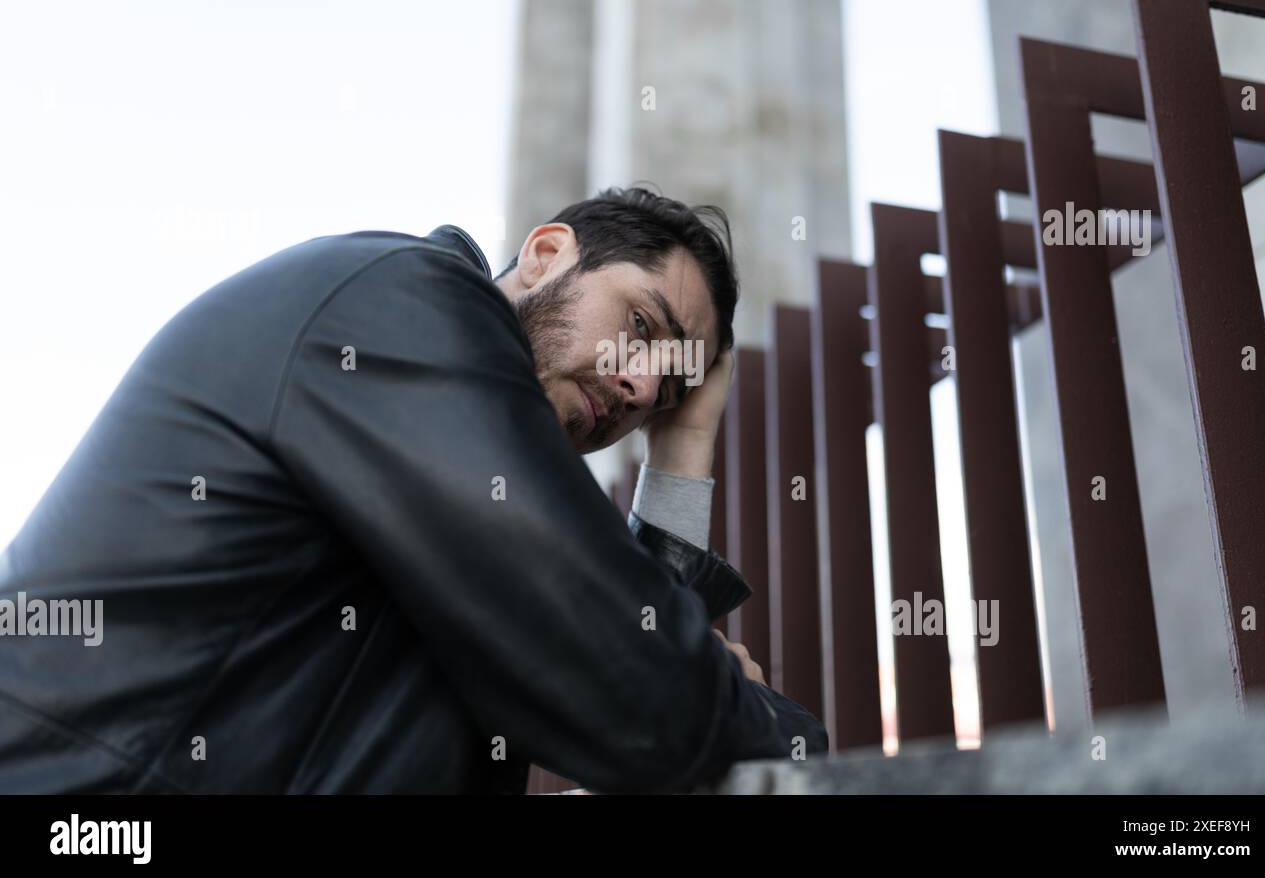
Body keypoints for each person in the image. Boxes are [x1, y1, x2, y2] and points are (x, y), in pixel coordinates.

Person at [0, 186, 827, 793]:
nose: (646, 388)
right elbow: (624, 679)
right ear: (545, 255)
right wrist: (782, 729)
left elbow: (617, 675)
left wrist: (680, 452)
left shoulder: (456, 476)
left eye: (672, 386)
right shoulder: (406, 306)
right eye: (642, 326)